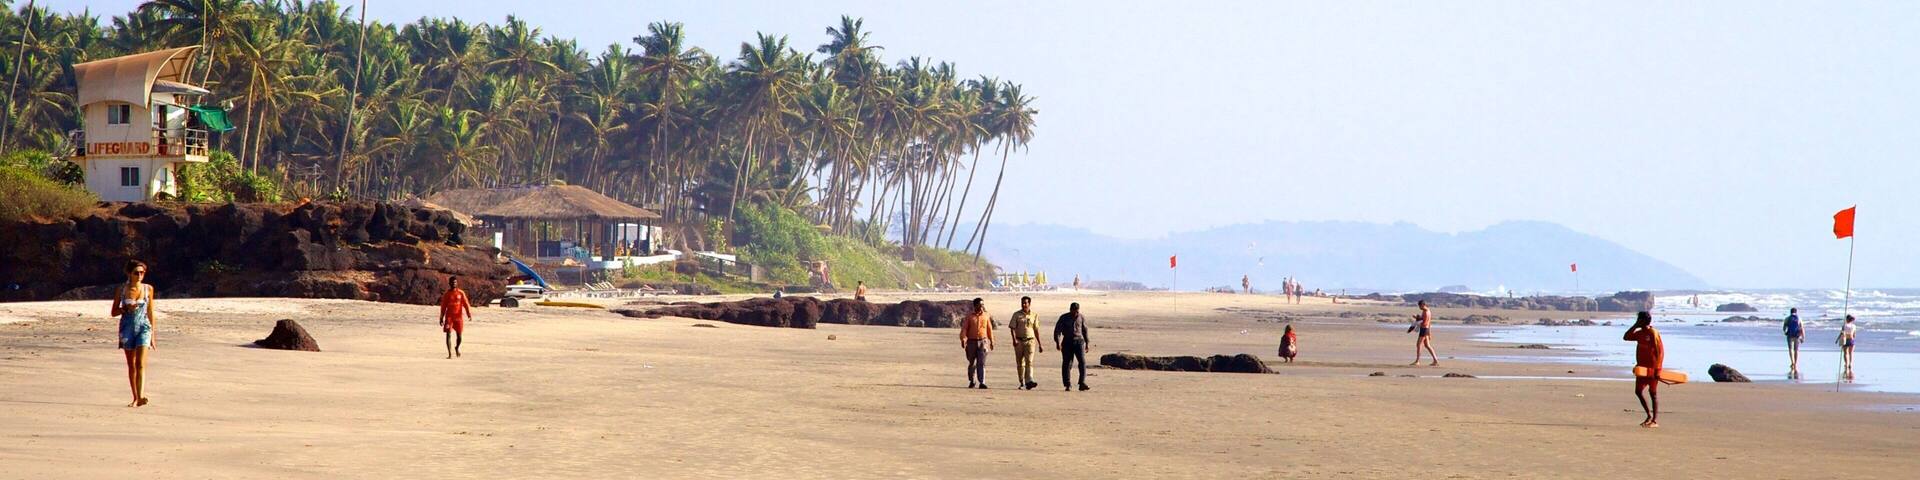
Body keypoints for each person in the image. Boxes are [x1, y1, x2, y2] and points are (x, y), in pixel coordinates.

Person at [110, 260, 156, 408]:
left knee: (140, 363)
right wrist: (125, 308)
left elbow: (150, 312)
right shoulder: (122, 290)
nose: (140, 275)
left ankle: (141, 396)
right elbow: (113, 312)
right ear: (129, 273)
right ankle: (135, 397)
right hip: (127, 328)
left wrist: (153, 335)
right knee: (132, 365)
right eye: (136, 272)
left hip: (144, 327)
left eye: (142, 272)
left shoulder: (148, 289)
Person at [1623, 312, 1664, 428]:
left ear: (1643, 321)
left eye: (1638, 320)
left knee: (1653, 393)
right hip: (1641, 368)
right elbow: (1626, 337)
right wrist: (1635, 326)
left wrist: (1658, 369)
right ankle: (1648, 416)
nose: (1637, 321)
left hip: (1653, 368)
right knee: (1638, 391)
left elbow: (1660, 352)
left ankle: (1654, 420)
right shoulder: (1640, 333)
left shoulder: (1653, 333)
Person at [1008, 296, 1045, 390]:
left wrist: (1040, 343)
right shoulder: (1016, 315)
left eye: (1026, 303)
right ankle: (1022, 381)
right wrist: (1014, 340)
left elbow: (1036, 329)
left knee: (1029, 361)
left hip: (1030, 341)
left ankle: (1029, 380)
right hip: (1019, 341)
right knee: (1020, 363)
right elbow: (1012, 328)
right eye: (1023, 303)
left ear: (1029, 304)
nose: (1024, 304)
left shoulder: (1034, 315)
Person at [1054, 302, 1091, 391]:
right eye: (1074, 310)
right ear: (1070, 309)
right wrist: (1058, 343)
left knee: (1082, 362)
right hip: (1067, 342)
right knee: (1067, 363)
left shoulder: (1081, 317)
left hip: (1079, 341)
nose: (1076, 313)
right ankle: (1067, 384)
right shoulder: (1064, 318)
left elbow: (1085, 330)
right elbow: (1057, 331)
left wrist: (1087, 343)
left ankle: (1082, 383)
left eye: (1077, 311)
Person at [960, 298, 995, 389]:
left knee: (981, 363)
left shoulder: (986, 316)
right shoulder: (969, 316)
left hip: (983, 341)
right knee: (972, 363)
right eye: (979, 305)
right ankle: (972, 380)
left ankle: (982, 382)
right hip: (971, 342)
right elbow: (964, 329)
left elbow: (989, 329)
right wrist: (963, 339)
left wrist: (992, 341)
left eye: (982, 305)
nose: (981, 307)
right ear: (975, 306)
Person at [439, 277, 473, 359]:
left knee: (459, 337)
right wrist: (441, 318)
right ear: (449, 283)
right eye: (452, 282)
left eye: (455, 282)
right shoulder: (447, 294)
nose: (454, 284)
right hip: (449, 317)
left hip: (459, 317)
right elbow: (443, 307)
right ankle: (450, 354)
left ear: (457, 283)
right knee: (448, 335)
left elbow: (466, 304)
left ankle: (457, 348)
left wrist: (469, 314)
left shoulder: (461, 293)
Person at [1409, 300, 1438, 366]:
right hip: (1426, 329)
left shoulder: (1425, 312)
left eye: (1419, 306)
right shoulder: (1428, 311)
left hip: (1424, 329)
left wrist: (1416, 318)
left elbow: (1424, 322)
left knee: (1418, 344)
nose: (1419, 308)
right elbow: (1429, 322)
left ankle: (1417, 361)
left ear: (1422, 305)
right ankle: (1435, 360)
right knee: (1427, 345)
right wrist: (1429, 333)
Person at [1782, 308, 1805, 375]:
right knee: (1796, 350)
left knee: (1790, 349)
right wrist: (1803, 337)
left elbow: (1784, 328)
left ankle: (1792, 362)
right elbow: (1802, 328)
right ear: (1796, 312)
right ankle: (1796, 363)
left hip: (1790, 335)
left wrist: (1785, 332)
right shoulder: (1799, 318)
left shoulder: (1787, 318)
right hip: (1797, 336)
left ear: (1790, 312)